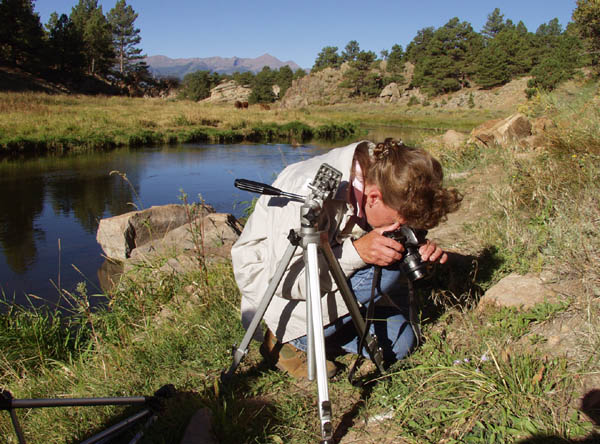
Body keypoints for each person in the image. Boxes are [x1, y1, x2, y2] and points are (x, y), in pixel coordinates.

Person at [231, 139, 462, 378]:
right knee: (389, 267)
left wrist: (418, 246)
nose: (397, 229)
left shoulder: (388, 173)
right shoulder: (308, 191)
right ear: (373, 198)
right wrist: (358, 252)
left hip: (325, 272)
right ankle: (286, 340)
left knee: (401, 343)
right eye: (398, 224)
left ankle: (321, 333)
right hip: (274, 293)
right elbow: (285, 281)